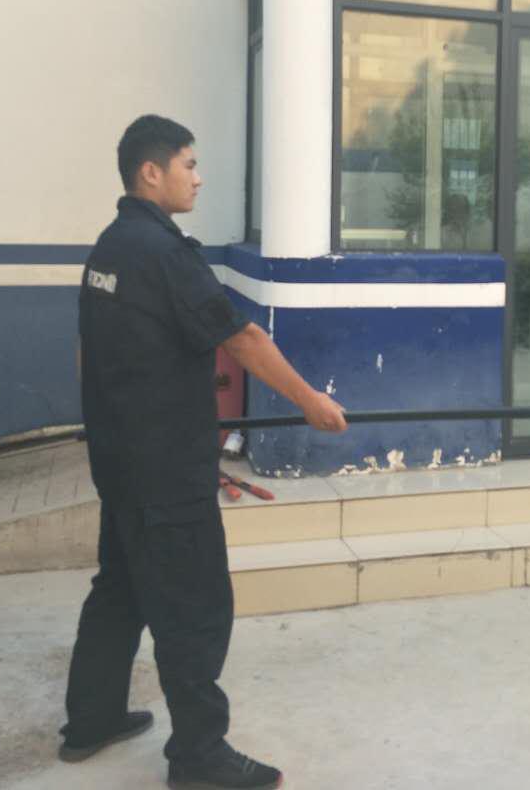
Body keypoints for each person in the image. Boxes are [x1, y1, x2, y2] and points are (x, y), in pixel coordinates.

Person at [60, 114, 346, 789]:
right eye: (188, 164)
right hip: (166, 471)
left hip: (122, 463)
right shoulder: (165, 253)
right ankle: (198, 756)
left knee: (121, 589)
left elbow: (85, 353)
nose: (198, 177)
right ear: (150, 172)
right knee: (194, 607)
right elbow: (242, 338)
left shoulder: (109, 248)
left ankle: (91, 720)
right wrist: (309, 401)